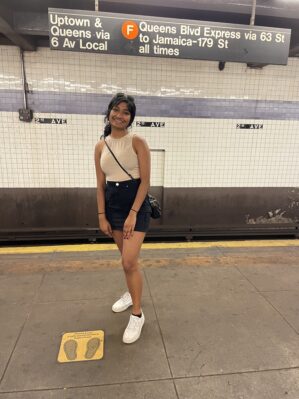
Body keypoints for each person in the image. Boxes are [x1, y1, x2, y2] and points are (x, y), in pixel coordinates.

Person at [94, 93, 151, 344]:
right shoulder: (100, 146)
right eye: (116, 110)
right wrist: (101, 216)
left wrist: (133, 214)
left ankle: (137, 314)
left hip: (135, 205)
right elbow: (100, 186)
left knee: (129, 262)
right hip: (113, 205)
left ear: (131, 118)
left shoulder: (137, 141)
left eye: (126, 112)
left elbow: (145, 182)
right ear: (109, 112)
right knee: (125, 259)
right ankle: (130, 294)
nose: (120, 115)